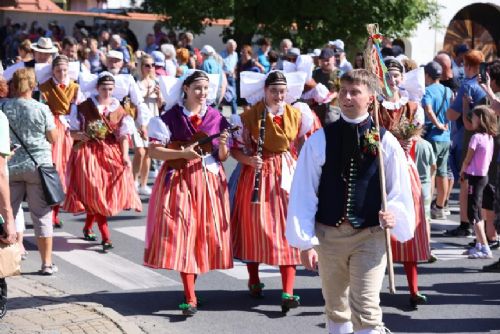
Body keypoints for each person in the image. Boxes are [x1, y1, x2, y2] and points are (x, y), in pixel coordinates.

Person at [287, 69, 414, 334]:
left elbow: (399, 189)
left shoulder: (385, 141)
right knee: (336, 307)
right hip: (329, 236)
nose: (346, 97)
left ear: (370, 98)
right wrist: (304, 242)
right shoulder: (320, 139)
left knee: (367, 308)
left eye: (354, 91)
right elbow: (304, 192)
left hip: (369, 234)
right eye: (343, 91)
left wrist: (394, 213)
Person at [143, 70, 233, 316]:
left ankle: (191, 288)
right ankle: (190, 296)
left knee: (200, 236)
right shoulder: (170, 117)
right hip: (179, 180)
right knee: (182, 232)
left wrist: (223, 144)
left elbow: (222, 157)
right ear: (186, 89)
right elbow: (154, 152)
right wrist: (182, 154)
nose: (202, 93)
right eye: (197, 88)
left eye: (205, 88)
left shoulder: (215, 117)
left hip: (208, 182)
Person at [230, 70, 315, 313]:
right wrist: (248, 161)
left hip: (286, 174)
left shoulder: (297, 115)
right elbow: (237, 149)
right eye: (274, 91)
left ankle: (288, 291)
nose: (279, 95)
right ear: (265, 91)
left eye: (282, 91)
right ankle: (254, 278)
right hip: (257, 173)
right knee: (256, 228)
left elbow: (301, 145)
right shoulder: (249, 117)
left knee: (288, 228)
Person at [64, 72, 142, 252]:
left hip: (110, 152)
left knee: (103, 194)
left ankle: (87, 226)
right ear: (97, 88)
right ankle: (106, 236)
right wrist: (82, 135)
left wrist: (124, 157)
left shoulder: (119, 109)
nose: (107, 92)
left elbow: (123, 136)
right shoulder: (84, 107)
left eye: (110, 89)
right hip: (88, 151)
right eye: (103, 89)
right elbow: (72, 131)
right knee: (96, 191)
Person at [378, 58, 431, 309]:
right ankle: (369, 286)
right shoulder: (374, 107)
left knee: (409, 222)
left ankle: (413, 287)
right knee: (374, 227)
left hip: (405, 170)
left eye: (396, 76)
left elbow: (417, 133)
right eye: (388, 76)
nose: (392, 80)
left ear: (403, 79)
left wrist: (411, 141)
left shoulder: (412, 107)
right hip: (379, 171)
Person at [3, 68, 58, 275]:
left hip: (10, 165)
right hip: (38, 166)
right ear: (33, 86)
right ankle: (46, 263)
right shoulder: (41, 109)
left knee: (7, 214)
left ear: (14, 86)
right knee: (41, 215)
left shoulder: (3, 108)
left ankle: (9, 262)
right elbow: (53, 137)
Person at [39, 55, 84, 228]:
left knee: (69, 170)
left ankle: (56, 212)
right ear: (53, 71)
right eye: (58, 70)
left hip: (71, 127)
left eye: (64, 70)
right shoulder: (45, 87)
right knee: (55, 168)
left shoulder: (75, 87)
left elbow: (81, 107)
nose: (62, 73)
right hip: (54, 127)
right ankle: (50, 212)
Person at [446, 50, 486, 237]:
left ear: (467, 65)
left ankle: (465, 223)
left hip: (466, 136)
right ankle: (480, 224)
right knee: (480, 184)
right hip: (486, 138)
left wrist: (455, 104)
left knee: (465, 181)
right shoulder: (484, 86)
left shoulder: (467, 86)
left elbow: (451, 115)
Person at [461, 105, 496, 258]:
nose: (472, 119)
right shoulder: (490, 137)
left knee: (473, 213)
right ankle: (479, 244)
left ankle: (485, 248)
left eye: (474, 117)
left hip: (474, 177)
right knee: (477, 210)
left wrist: (462, 170)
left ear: (480, 119)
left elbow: (468, 158)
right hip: (484, 176)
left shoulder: (476, 138)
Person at [421, 61, 452, 219]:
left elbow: (428, 109)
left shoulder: (427, 91)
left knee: (430, 172)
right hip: (446, 137)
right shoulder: (448, 91)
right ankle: (440, 206)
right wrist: (445, 124)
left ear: (427, 75)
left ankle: (427, 206)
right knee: (443, 172)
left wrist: (437, 124)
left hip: (432, 136)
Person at [133, 54, 165, 195]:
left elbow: (160, 104)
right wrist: (147, 93)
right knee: (140, 151)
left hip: (152, 117)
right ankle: (134, 180)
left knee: (148, 153)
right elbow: (135, 101)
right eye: (147, 65)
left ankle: (143, 184)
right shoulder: (136, 82)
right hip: (140, 119)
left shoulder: (156, 82)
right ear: (141, 67)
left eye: (152, 65)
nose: (150, 68)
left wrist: (158, 96)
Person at [221, 39, 239, 115]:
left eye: (234, 47)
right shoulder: (222, 54)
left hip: (231, 77)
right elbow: (220, 66)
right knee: (222, 96)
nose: (233, 48)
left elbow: (235, 65)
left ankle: (234, 115)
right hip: (224, 77)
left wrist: (234, 72)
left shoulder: (235, 54)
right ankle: (219, 114)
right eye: (231, 46)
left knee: (233, 97)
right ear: (227, 46)